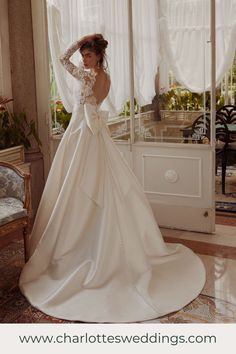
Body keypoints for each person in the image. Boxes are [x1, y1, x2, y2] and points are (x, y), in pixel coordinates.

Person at [19, 34, 206, 323]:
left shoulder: (89, 77)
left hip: (84, 134)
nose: (83, 59)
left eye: (88, 54)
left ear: (98, 56)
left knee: (85, 186)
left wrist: (77, 42)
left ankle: (88, 250)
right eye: (83, 55)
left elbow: (61, 60)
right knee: (95, 185)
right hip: (89, 133)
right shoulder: (103, 77)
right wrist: (84, 47)